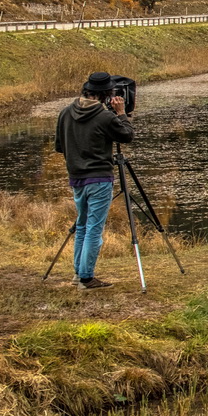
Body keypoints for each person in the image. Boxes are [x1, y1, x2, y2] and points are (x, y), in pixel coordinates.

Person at [54, 71, 134, 289]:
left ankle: (78, 274)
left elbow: (59, 147)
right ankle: (86, 278)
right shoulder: (104, 116)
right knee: (93, 229)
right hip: (99, 178)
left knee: (82, 225)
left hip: (76, 178)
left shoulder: (65, 113)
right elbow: (127, 135)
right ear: (106, 95)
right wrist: (121, 113)